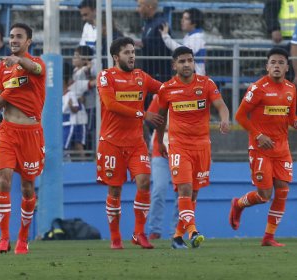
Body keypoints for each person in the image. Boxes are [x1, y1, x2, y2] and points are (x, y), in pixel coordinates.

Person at [156, 46, 230, 249]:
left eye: (190, 60)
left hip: (202, 146)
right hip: (179, 146)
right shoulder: (167, 88)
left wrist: (225, 119)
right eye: (182, 61)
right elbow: (161, 118)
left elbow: (221, 105)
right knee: (185, 188)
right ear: (174, 65)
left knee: (193, 194)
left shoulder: (206, 83)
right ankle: (193, 231)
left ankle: (178, 236)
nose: (187, 64)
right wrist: (158, 142)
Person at [96, 37, 164, 249]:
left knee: (144, 181)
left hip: (136, 143)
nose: (132, 55)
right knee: (115, 191)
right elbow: (110, 104)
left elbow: (164, 89)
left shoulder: (140, 76)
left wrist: (185, 88)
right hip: (111, 143)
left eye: (133, 51)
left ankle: (138, 233)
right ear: (116, 57)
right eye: (127, 52)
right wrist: (142, 114)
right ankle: (115, 237)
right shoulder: (106, 76)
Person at [229, 47, 297, 247]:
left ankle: (268, 237)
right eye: (273, 62)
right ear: (267, 66)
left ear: (287, 67)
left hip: (282, 149)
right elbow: (240, 116)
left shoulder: (291, 89)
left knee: (283, 190)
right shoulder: (257, 88)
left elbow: (291, 117)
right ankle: (238, 204)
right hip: (260, 149)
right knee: (264, 195)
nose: (277, 66)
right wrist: (258, 135)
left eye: (281, 63)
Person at [0, 23, 46, 255]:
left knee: (27, 187)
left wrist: (19, 63)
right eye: (11, 36)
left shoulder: (38, 64)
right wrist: (10, 88)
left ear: (28, 41)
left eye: (19, 37)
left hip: (31, 134)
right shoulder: (0, 70)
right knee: (3, 180)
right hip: (7, 132)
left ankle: (23, 239)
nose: (13, 40)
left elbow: (34, 68)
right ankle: (4, 238)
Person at [147, 95, 178, 240]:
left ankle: (176, 231)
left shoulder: (195, 94)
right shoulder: (161, 95)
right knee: (159, 189)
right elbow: (148, 118)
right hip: (160, 147)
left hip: (182, 147)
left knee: (183, 192)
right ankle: (155, 230)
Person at [160, 8, 206, 75]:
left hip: (196, 76)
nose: (182, 21)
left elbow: (182, 51)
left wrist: (165, 37)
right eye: (182, 18)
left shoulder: (197, 37)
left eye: (186, 19)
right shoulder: (191, 35)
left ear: (194, 22)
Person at [137, 0, 172, 83]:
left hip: (159, 74)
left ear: (150, 7)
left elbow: (163, 49)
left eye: (139, 6)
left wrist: (143, 44)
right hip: (149, 72)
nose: (137, 9)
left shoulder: (160, 24)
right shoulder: (148, 24)